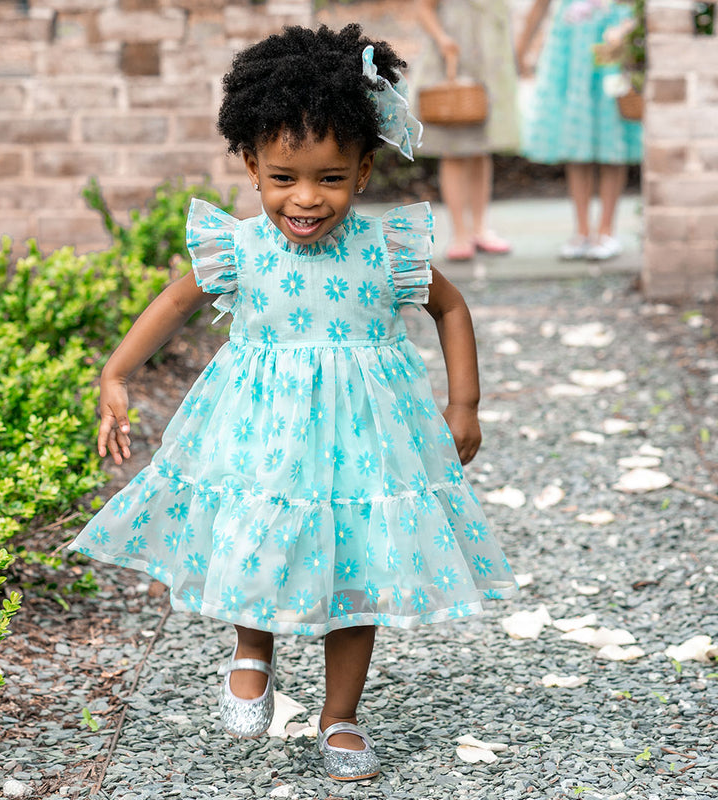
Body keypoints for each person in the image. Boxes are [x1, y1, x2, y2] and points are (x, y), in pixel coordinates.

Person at [68, 24, 517, 782]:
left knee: (361, 567)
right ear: (251, 166)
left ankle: (340, 717)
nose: (306, 198)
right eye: (284, 178)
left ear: (364, 171)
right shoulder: (241, 248)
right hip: (263, 432)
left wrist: (464, 403)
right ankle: (253, 649)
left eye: (330, 178)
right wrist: (116, 373)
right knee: (261, 534)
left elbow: (450, 307)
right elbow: (174, 303)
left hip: (367, 441)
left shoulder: (386, 249)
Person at [517, 0, 643, 260]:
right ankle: (582, 231)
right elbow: (540, 5)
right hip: (570, 50)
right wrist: (522, 49)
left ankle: (606, 231)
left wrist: (628, 29)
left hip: (612, 41)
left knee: (613, 133)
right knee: (575, 142)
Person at [414, 0, 521, 261]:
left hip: (487, 65)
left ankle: (480, 228)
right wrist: (442, 39)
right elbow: (423, 7)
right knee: (453, 149)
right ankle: (459, 232)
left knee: (480, 149)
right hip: (452, 58)